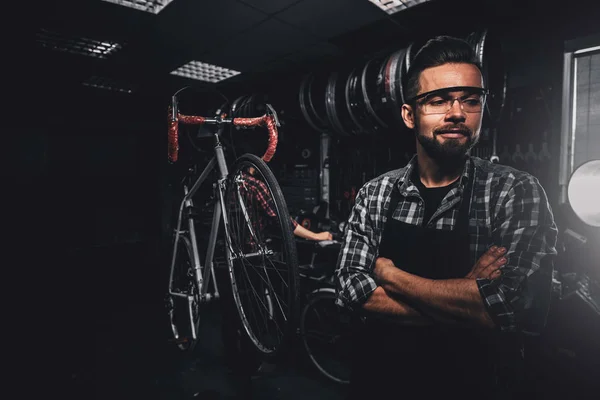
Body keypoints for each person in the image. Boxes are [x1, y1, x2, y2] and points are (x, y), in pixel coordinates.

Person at [334, 35, 558, 399]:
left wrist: (390, 274)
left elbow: (518, 307)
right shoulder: (375, 193)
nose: (457, 113)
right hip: (380, 382)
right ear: (410, 115)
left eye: (471, 100)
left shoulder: (514, 192)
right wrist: (467, 300)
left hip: (473, 385)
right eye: (438, 100)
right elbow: (351, 290)